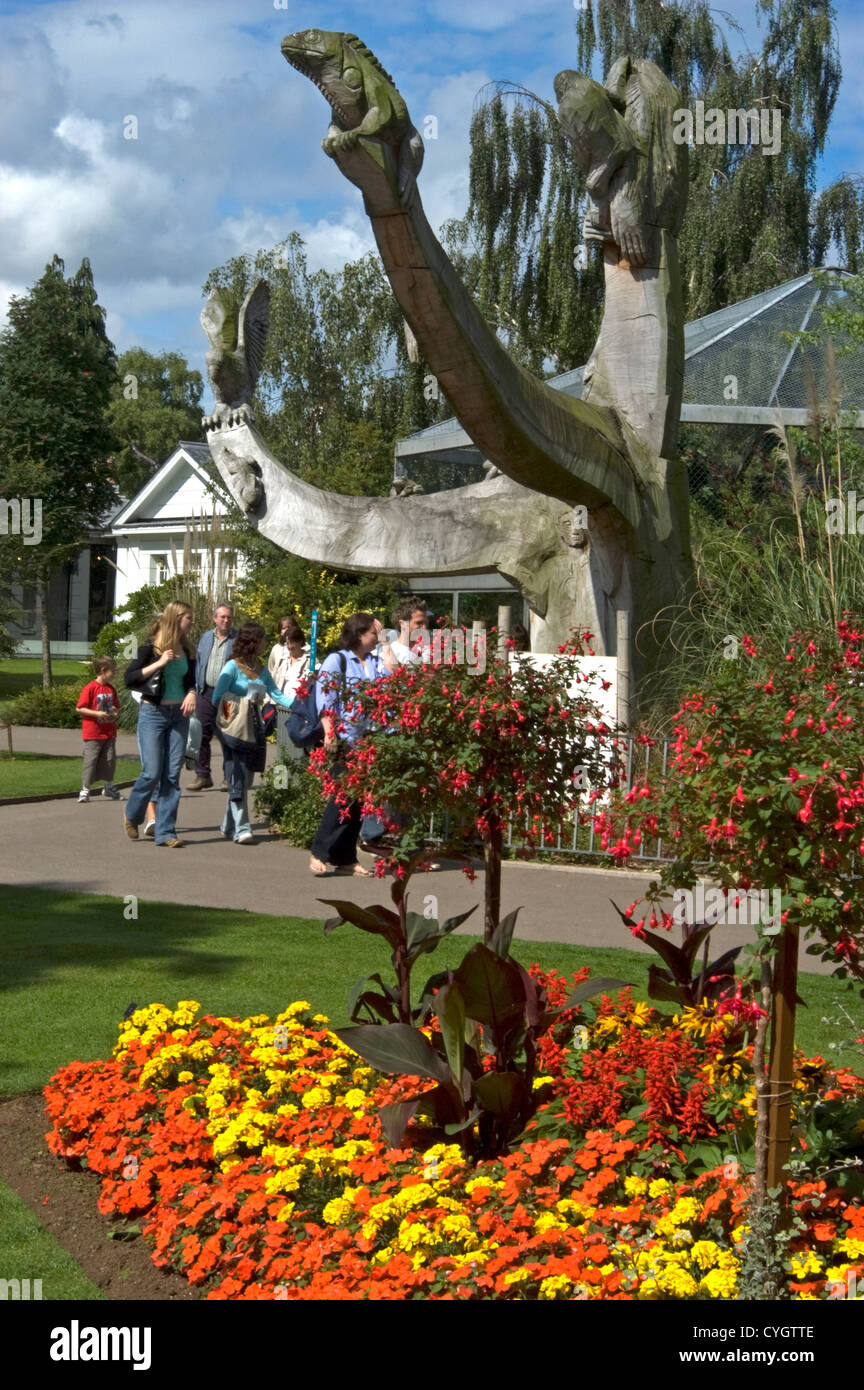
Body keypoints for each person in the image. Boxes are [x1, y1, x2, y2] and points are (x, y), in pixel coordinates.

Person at [309, 612, 398, 876]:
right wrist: (329, 732)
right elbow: (325, 696)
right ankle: (319, 851)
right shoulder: (338, 660)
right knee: (342, 797)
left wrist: (384, 643)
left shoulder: (373, 661)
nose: (376, 638)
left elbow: (393, 676)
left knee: (358, 801)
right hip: (344, 739)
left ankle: (345, 857)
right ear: (359, 634)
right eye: (374, 633)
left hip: (368, 739)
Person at [212, 623, 295, 844]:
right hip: (232, 728)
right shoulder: (231, 667)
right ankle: (242, 829)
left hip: (253, 727)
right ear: (252, 642)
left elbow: (278, 695)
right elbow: (217, 698)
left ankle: (228, 825)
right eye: (262, 639)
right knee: (237, 774)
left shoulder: (261, 669)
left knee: (246, 777)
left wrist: (302, 703)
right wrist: (237, 706)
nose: (265, 643)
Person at [123, 601, 197, 847]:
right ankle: (132, 814)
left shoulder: (187, 648)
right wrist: (159, 662)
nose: (192, 623)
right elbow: (130, 678)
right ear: (176, 619)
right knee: (152, 772)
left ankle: (166, 832)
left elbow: (191, 680)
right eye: (189, 618)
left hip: (178, 715)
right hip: (153, 713)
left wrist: (191, 693)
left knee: (172, 775)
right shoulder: (150, 647)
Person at [189, 601, 237, 791]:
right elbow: (199, 662)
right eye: (222, 617)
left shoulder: (237, 639)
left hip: (227, 696)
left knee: (227, 736)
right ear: (214, 618)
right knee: (200, 734)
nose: (225, 620)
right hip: (205, 692)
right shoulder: (206, 637)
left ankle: (228, 777)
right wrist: (195, 688)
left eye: (229, 617)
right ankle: (202, 776)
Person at [76, 657, 120, 802]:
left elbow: (115, 706)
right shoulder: (90, 688)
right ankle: (85, 789)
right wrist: (97, 714)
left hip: (109, 731)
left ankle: (108, 786)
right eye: (112, 671)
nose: (114, 673)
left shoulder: (110, 689)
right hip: (93, 732)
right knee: (91, 760)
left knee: (110, 759)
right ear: (103, 671)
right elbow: (80, 708)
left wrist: (113, 711)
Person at [387, 596, 430, 666]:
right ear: (403, 624)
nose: (424, 628)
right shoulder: (393, 654)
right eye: (419, 623)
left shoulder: (426, 649)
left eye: (426, 623)